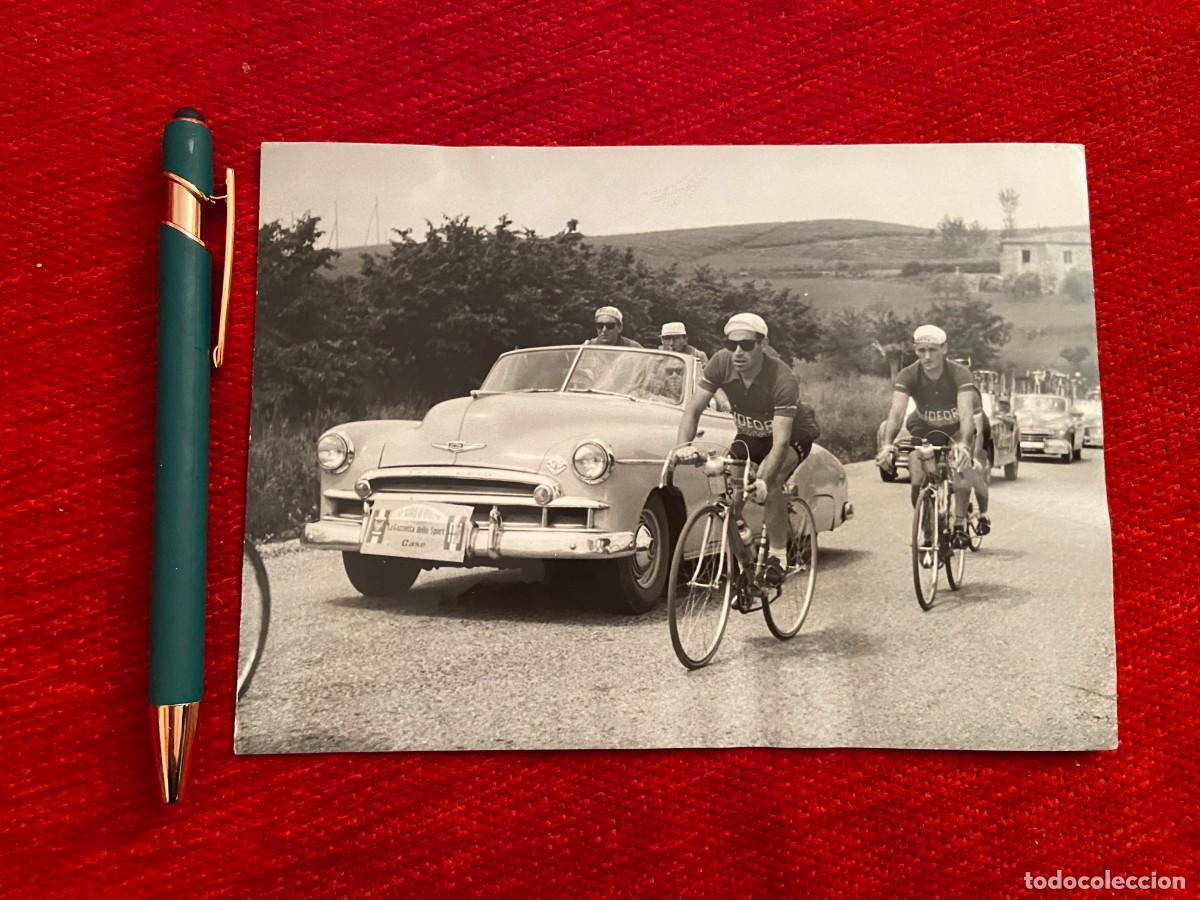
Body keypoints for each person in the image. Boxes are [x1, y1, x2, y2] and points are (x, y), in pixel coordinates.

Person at [675, 313, 819, 585]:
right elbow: (692, 410)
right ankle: (746, 565)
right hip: (750, 433)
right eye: (732, 345)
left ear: (762, 345)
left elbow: (780, 442)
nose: (737, 352)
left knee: (772, 481)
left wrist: (763, 480)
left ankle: (778, 556)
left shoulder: (781, 378)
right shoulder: (720, 363)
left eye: (746, 345)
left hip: (791, 434)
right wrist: (682, 447)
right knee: (730, 495)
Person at [875, 324, 977, 548]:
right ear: (915, 350)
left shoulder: (960, 373)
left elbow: (967, 415)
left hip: (956, 429)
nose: (927, 356)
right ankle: (927, 527)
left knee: (961, 468)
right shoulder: (908, 374)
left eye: (933, 350)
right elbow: (897, 413)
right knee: (918, 479)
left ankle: (959, 524)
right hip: (923, 428)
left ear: (944, 349)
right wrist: (887, 445)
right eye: (921, 350)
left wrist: (965, 445)